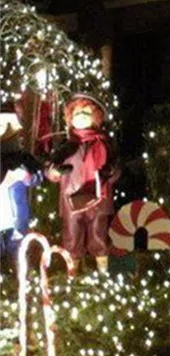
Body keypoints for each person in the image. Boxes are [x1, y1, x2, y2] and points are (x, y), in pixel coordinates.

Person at [46, 94, 119, 273]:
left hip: (98, 198)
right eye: (77, 113)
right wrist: (56, 171)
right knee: (72, 237)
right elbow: (49, 170)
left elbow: (117, 167)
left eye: (86, 113)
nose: (82, 116)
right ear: (70, 118)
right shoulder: (66, 146)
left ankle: (102, 272)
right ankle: (73, 273)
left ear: (95, 117)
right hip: (72, 200)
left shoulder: (104, 144)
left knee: (99, 235)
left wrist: (111, 172)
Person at [0, 100, 41, 268]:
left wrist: (28, 176)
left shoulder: (21, 157)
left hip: (17, 216)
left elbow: (37, 175)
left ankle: (17, 269)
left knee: (17, 248)